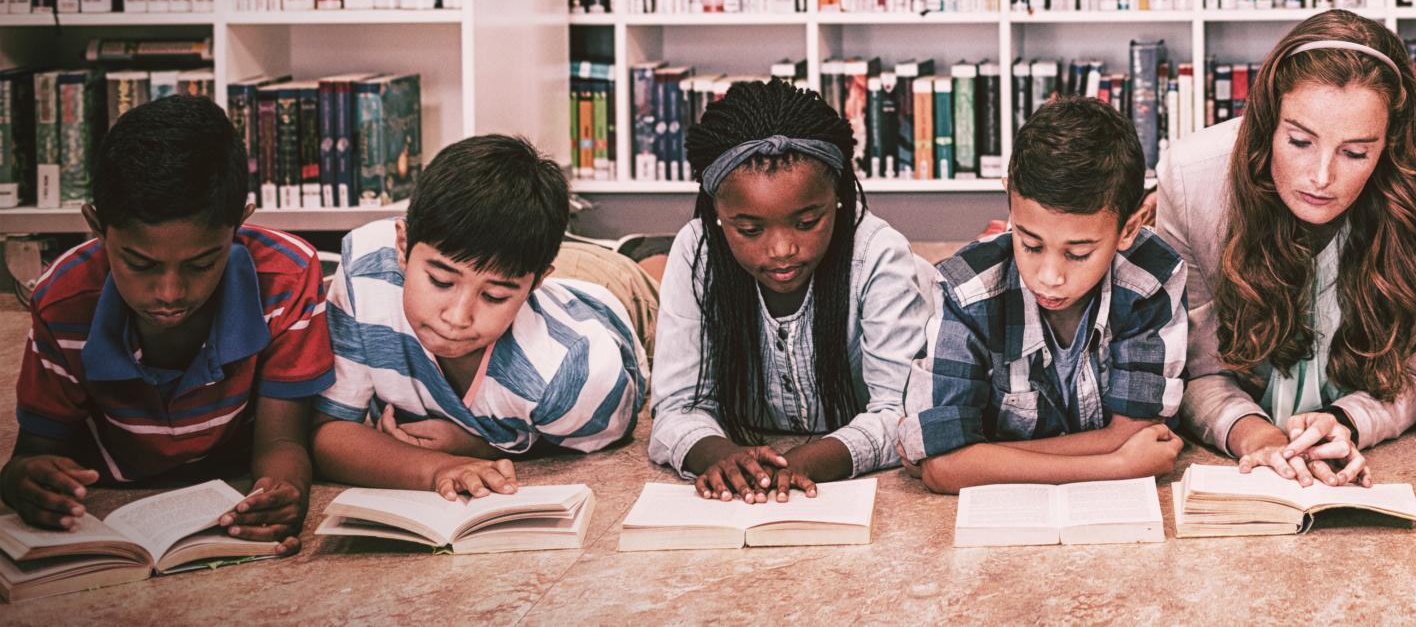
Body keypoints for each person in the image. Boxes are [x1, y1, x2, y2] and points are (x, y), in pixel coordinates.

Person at [1157, 9, 1416, 486]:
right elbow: (1196, 372)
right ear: (1268, 121)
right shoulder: (1190, 177)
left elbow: (1412, 375)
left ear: (1389, 145)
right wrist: (1257, 438)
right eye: (1299, 141)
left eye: (1356, 153)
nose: (1322, 176)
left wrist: (1345, 423)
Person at [3, 96, 330, 554]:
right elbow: (32, 455)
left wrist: (280, 494)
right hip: (110, 500)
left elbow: (281, 441)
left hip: (234, 482)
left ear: (239, 222)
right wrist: (26, 483)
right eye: (139, 263)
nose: (170, 293)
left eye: (202, 263)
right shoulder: (63, 299)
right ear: (97, 228)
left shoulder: (287, 279)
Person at [312, 135, 646, 498]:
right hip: (515, 269)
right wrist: (437, 467)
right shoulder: (365, 269)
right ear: (403, 247)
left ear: (534, 284)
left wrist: (479, 446)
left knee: (645, 271)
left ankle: (645, 249)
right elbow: (328, 431)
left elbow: (598, 438)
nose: (457, 318)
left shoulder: (574, 372)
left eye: (493, 297)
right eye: (440, 281)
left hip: (616, 292)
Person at [650, 80, 934, 502]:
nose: (782, 250)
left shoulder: (878, 253)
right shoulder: (697, 253)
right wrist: (728, 458)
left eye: (807, 223)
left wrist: (804, 462)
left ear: (837, 197)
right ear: (717, 213)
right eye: (749, 230)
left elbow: (900, 413)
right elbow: (677, 407)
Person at [898, 97, 1188, 492]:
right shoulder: (968, 291)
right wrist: (1117, 465)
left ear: (1129, 228)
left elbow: (1140, 431)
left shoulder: (1148, 281)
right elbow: (943, 468)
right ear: (1009, 201)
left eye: (1079, 253)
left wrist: (984, 457)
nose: (1050, 277)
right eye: (1030, 244)